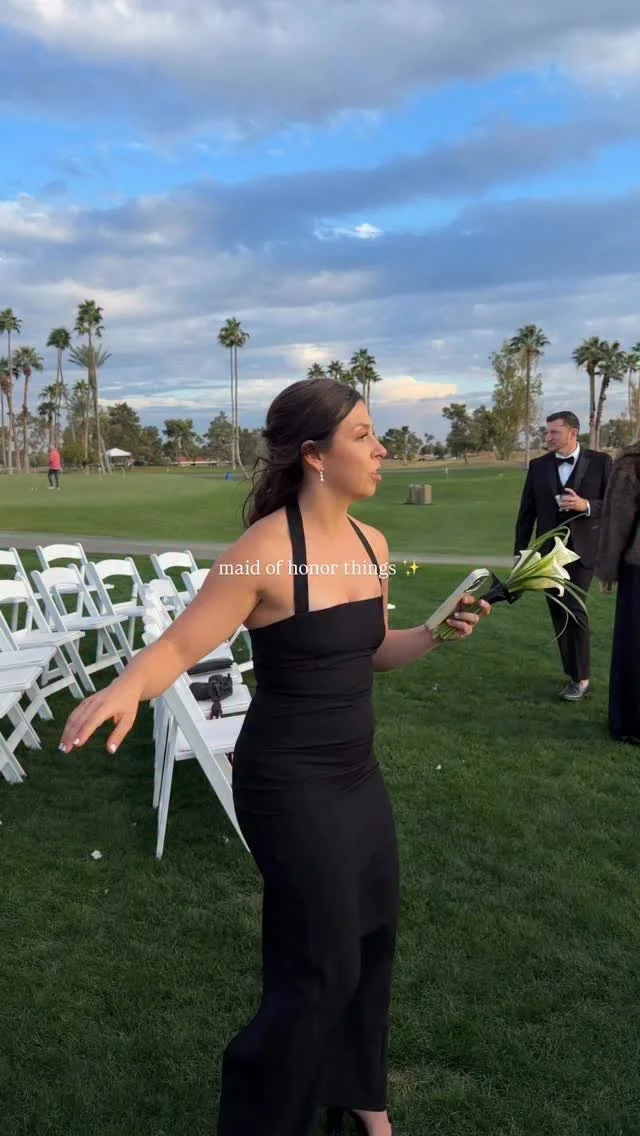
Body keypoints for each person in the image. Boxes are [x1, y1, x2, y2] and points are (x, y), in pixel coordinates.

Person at [58, 377, 489, 1136]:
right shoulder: (261, 552)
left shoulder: (373, 545)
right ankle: (263, 1116)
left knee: (372, 937)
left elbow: (370, 650)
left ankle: (361, 1093)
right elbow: (181, 645)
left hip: (358, 775)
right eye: (363, 435)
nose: (382, 448)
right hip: (289, 783)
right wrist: (128, 686)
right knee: (321, 964)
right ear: (316, 456)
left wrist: (433, 631)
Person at [514, 410, 612, 701]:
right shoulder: (538, 466)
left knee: (574, 608)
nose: (548, 437)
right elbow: (526, 514)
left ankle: (581, 679)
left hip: (583, 551)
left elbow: (614, 504)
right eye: (547, 432)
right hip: (548, 554)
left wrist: (586, 505)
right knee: (558, 612)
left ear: (573, 433)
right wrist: (521, 555)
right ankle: (574, 673)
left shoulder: (601, 462)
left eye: (554, 432)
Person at [595, 430, 640, 746]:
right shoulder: (632, 462)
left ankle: (630, 722)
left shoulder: (631, 461)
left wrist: (607, 572)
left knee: (634, 645)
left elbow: (617, 522)